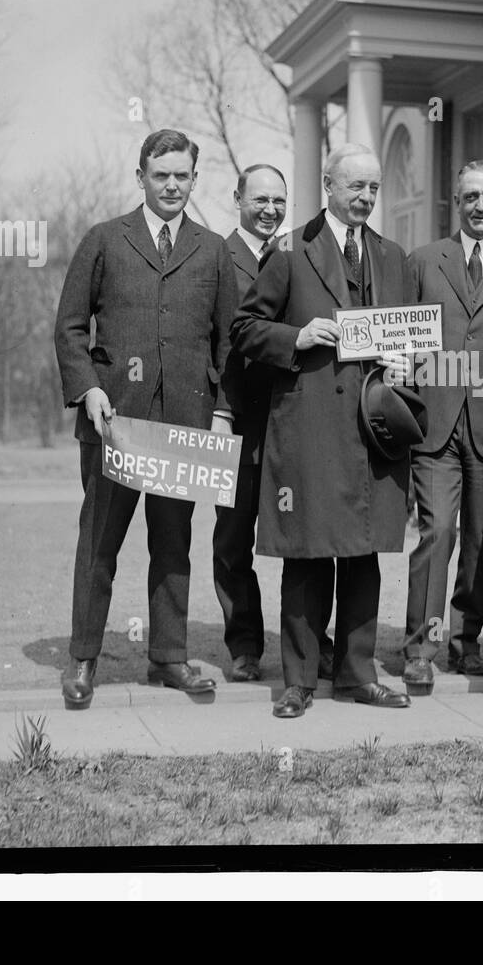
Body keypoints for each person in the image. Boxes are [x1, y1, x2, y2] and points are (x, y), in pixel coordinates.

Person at [53, 129, 241, 708]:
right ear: (141, 177)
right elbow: (69, 328)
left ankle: (170, 658)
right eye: (160, 175)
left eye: (182, 176)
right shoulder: (105, 240)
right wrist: (87, 390)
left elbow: (228, 344)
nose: (171, 186)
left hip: (184, 425)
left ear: (193, 178)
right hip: (114, 423)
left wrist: (224, 412)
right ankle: (84, 660)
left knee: (173, 543)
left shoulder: (213, 250)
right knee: (99, 543)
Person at [232, 143, 414, 719]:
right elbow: (244, 328)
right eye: (354, 186)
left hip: (373, 430)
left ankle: (358, 676)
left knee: (364, 555)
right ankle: (299, 682)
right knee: (307, 557)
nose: (364, 198)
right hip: (310, 429)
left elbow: (408, 338)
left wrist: (408, 362)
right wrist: (296, 338)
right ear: (328, 186)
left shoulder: (393, 257)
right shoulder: (289, 253)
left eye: (373, 189)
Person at [400, 161, 483, 693]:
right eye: (470, 196)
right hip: (435, 424)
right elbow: (400, 337)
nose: (480, 206)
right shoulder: (423, 262)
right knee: (437, 533)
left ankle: (466, 642)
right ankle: (420, 648)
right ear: (456, 203)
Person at [213, 163, 327, 683]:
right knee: (233, 539)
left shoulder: (298, 254)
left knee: (300, 536)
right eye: (259, 199)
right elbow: (209, 343)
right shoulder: (216, 257)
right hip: (234, 420)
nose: (270, 210)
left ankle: (311, 642)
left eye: (279, 201)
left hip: (293, 418)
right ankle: (244, 645)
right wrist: (218, 411)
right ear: (237, 198)